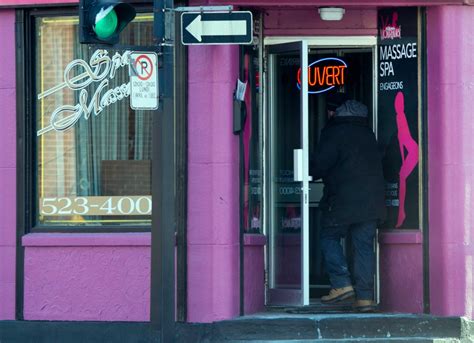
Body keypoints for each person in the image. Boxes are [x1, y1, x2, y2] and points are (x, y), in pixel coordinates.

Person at [311, 93, 386, 312]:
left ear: (335, 112)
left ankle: (342, 283)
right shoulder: (368, 133)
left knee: (328, 236)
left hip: (342, 200)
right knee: (363, 247)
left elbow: (319, 165)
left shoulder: (334, 132)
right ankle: (364, 298)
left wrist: (306, 169)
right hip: (372, 202)